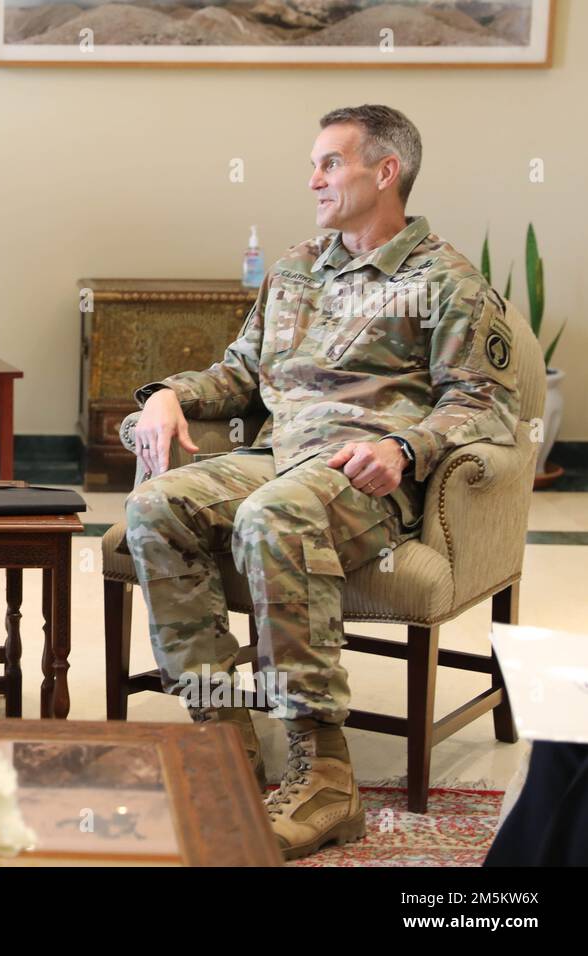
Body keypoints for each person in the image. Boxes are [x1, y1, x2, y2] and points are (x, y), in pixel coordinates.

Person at [125, 104, 519, 860]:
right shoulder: (298, 266)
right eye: (314, 164)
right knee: (153, 506)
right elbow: (240, 373)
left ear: (385, 171)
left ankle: (325, 777)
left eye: (330, 163)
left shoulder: (449, 281)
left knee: (273, 517)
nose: (314, 179)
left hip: (364, 471)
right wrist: (166, 395)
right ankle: (225, 746)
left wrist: (407, 446)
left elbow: (485, 405)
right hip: (279, 456)